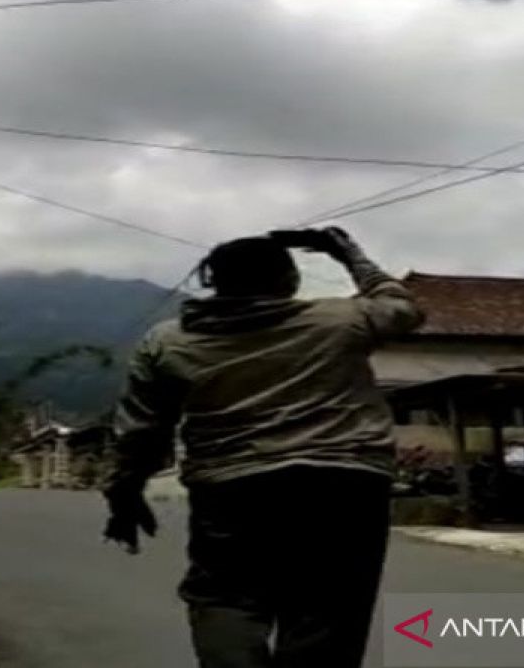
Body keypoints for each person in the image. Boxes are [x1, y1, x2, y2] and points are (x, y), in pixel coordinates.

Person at [101, 227, 424, 668]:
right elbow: (402, 307)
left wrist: (124, 492)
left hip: (232, 488)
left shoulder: (166, 342)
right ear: (290, 280)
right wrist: (348, 254)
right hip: (345, 484)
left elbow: (141, 428)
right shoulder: (342, 320)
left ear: (214, 282)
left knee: (226, 598)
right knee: (326, 612)